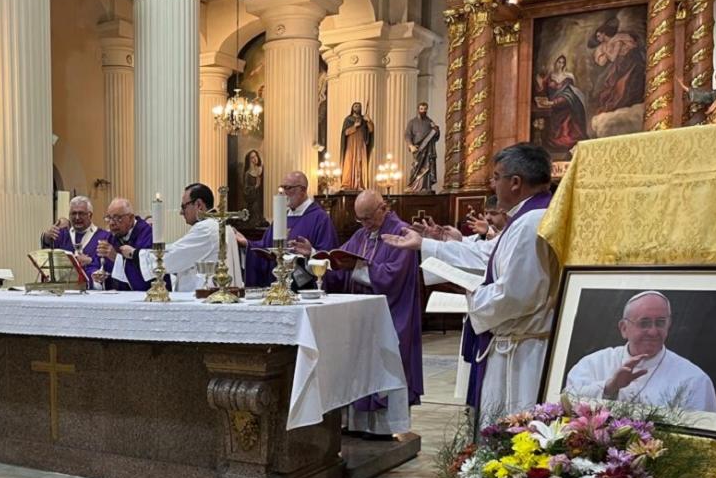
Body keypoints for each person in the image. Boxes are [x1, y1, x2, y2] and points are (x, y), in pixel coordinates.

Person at [385, 143, 556, 424]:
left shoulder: (530, 223)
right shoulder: (528, 217)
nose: (492, 185)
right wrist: (425, 244)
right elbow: (486, 255)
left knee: (516, 428)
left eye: (496, 177)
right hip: (518, 343)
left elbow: (514, 296)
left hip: (523, 351)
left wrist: (471, 294)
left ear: (515, 182)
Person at [324, 190, 422, 436]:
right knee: (358, 365)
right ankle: (357, 423)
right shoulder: (361, 234)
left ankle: (384, 428)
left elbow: (393, 276)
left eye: (368, 218)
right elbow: (340, 261)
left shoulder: (402, 233)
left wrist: (357, 267)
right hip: (361, 317)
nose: (364, 224)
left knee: (383, 365)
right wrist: (318, 257)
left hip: (390, 314)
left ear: (383, 208)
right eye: (360, 219)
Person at [565, 291, 716, 413]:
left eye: (660, 323)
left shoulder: (694, 380)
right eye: (644, 323)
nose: (653, 332)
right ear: (624, 328)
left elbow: (704, 437)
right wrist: (609, 387)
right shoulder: (592, 364)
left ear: (669, 325)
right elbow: (566, 405)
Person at [126, 183, 242, 292]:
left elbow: (175, 255)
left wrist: (135, 254)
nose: (181, 212)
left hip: (205, 297)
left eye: (184, 206)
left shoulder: (206, 228)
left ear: (198, 205)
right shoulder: (222, 226)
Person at [238, 171, 338, 288]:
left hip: (305, 288)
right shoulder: (282, 216)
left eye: (288, 188)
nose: (284, 193)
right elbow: (266, 247)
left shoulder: (320, 218)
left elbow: (329, 257)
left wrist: (311, 252)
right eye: (282, 187)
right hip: (278, 286)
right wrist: (247, 244)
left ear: (302, 190)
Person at [41, 196, 110, 285]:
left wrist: (90, 261)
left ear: (90, 215)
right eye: (73, 214)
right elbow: (48, 258)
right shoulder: (62, 234)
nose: (77, 217)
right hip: (64, 288)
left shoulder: (104, 236)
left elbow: (109, 265)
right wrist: (46, 238)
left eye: (81, 213)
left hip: (92, 289)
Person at [533, 55, 589, 156]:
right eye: (559, 62)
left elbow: (569, 95)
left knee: (568, 133)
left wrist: (553, 102)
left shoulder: (568, 77)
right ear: (556, 63)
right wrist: (539, 82)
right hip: (552, 108)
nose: (561, 65)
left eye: (563, 63)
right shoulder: (550, 77)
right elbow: (543, 91)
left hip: (564, 106)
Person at [94, 197, 153, 291]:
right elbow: (98, 264)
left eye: (118, 218)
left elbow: (145, 277)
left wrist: (116, 258)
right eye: (109, 218)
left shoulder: (147, 235)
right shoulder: (111, 237)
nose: (111, 223)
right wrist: (99, 276)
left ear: (131, 218)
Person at [405, 102, 440, 192]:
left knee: (427, 167)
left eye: (425, 109)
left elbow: (436, 137)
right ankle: (413, 186)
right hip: (418, 149)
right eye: (421, 109)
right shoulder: (412, 122)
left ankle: (425, 186)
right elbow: (407, 135)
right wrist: (411, 145)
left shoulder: (430, 122)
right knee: (416, 167)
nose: (423, 111)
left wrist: (436, 130)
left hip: (428, 149)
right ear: (418, 110)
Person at [340, 102, 374, 190]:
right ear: (352, 108)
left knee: (360, 162)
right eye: (355, 106)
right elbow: (345, 132)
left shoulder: (364, 119)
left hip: (361, 144)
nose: (357, 107)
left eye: (359, 106)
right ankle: (347, 184)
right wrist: (354, 126)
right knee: (349, 162)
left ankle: (360, 184)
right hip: (351, 144)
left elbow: (371, 130)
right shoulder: (348, 119)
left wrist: (368, 121)